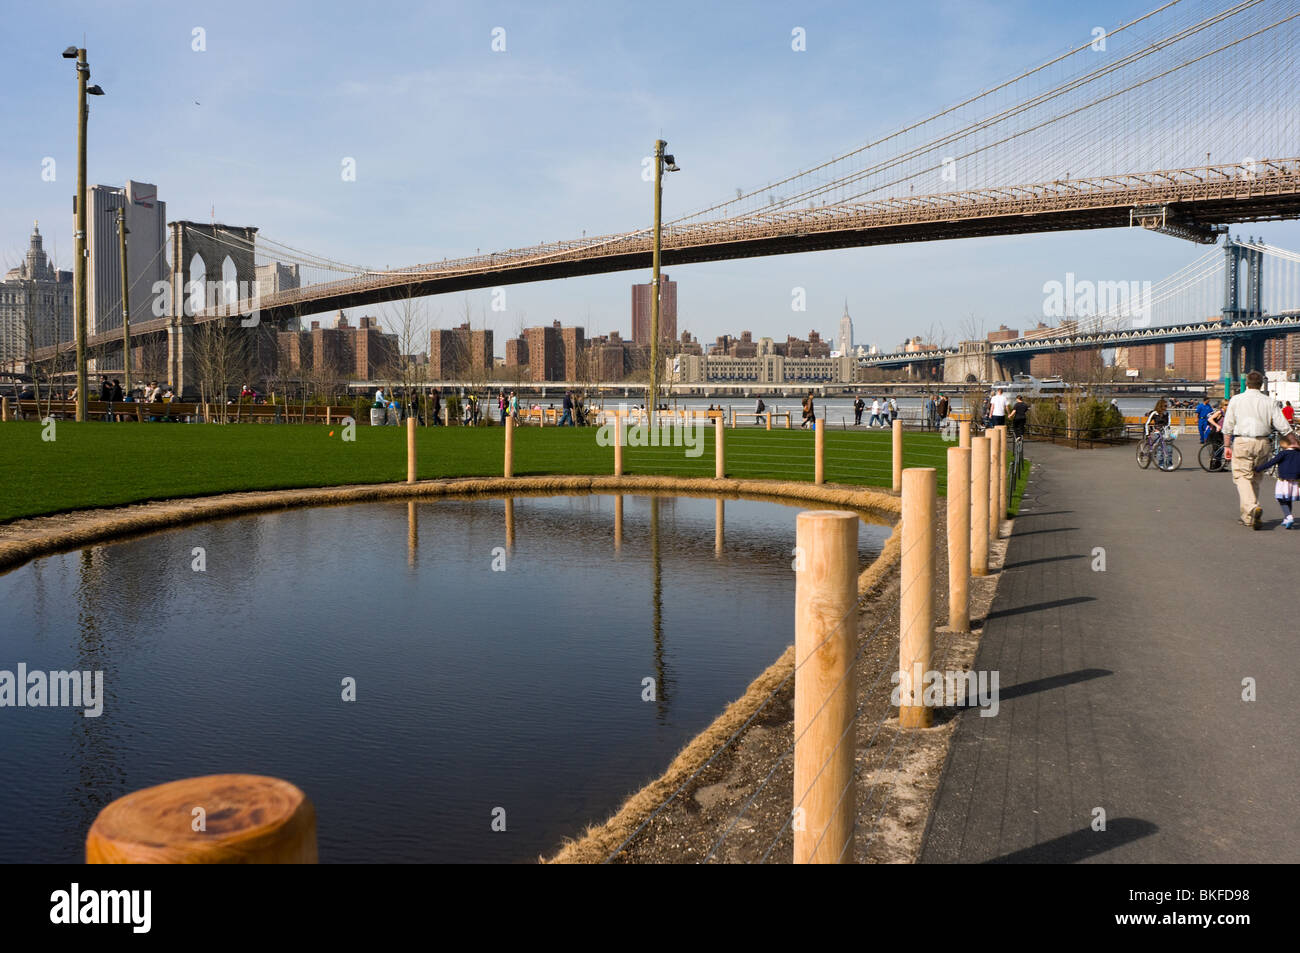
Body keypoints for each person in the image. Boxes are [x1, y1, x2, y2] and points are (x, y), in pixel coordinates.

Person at [1223, 370, 1293, 529]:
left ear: (1246, 384)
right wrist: (1295, 443)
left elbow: (1228, 426)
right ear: (1261, 385)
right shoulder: (1269, 401)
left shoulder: (1236, 400)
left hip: (1242, 441)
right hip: (1263, 443)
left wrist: (1227, 446)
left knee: (1241, 477)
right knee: (1255, 477)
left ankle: (1252, 508)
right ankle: (1248, 518)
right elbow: (1284, 427)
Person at [1254, 432, 1300, 529]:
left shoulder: (1283, 453)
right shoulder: (1298, 453)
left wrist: (1258, 468)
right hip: (1295, 480)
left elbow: (1271, 462)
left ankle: (1289, 516)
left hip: (1284, 480)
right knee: (1288, 499)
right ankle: (1286, 518)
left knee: (1281, 498)